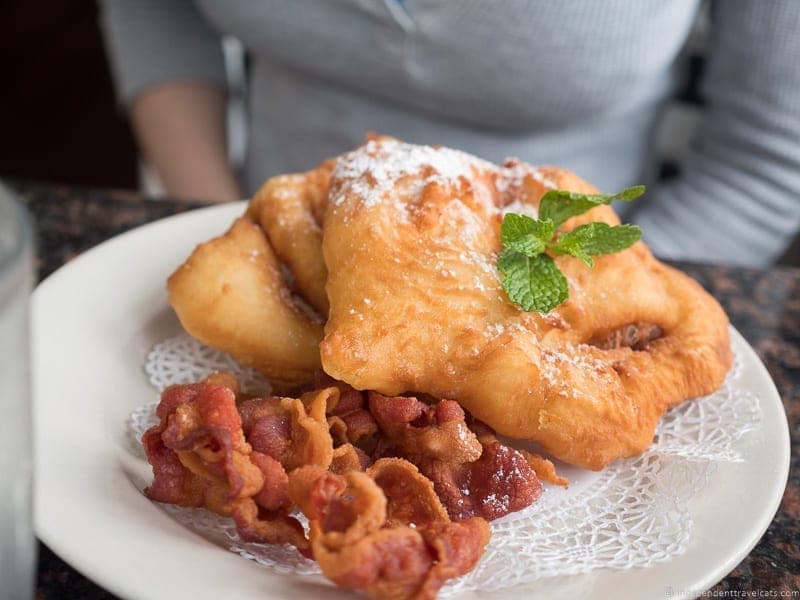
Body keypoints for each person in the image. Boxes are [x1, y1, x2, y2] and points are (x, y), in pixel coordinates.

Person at [99, 1, 800, 267]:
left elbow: (766, 161)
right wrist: (219, 222)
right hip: (261, 238)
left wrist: (591, 318)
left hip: (570, 285)